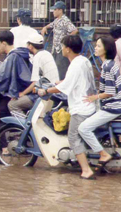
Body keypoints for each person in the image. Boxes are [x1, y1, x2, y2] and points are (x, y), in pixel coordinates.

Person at [38, 35, 96, 179]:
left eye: (63, 46)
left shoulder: (75, 64)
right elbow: (73, 80)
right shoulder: (83, 61)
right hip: (90, 104)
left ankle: (86, 170)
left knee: (73, 137)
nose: (62, 49)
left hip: (81, 107)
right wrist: (60, 81)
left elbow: (64, 88)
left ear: (68, 49)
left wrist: (45, 90)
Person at [78, 36, 121, 168]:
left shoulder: (107, 67)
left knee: (83, 128)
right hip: (116, 104)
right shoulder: (110, 64)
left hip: (111, 107)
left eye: (99, 46)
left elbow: (110, 92)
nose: (95, 48)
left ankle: (103, 153)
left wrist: (95, 97)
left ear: (106, 49)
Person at [0, 31, 32, 133]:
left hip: (13, 94)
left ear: (4, 43)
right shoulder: (16, 54)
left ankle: (3, 147)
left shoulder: (13, 57)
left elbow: (9, 77)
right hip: (16, 91)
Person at [8, 34, 60, 115]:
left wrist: (22, 93)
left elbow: (35, 82)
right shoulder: (47, 53)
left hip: (44, 95)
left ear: (31, 46)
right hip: (53, 92)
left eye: (27, 45)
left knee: (12, 104)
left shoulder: (37, 57)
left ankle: (24, 126)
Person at [41, 1, 78, 79]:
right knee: (55, 67)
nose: (53, 12)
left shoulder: (65, 20)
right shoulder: (57, 20)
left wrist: (66, 40)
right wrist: (45, 27)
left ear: (60, 10)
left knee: (61, 68)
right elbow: (51, 24)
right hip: (56, 48)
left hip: (62, 49)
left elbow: (74, 30)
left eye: (55, 10)